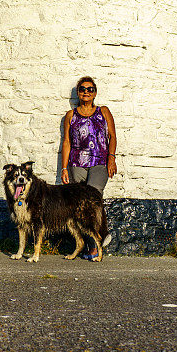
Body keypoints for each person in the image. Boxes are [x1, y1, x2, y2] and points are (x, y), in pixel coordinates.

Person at [61, 76, 117, 259]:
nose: (86, 92)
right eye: (82, 89)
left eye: (90, 89)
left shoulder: (104, 111)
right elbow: (67, 142)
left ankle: (97, 241)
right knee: (79, 204)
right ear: (78, 93)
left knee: (93, 196)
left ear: (95, 92)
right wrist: (64, 168)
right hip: (77, 163)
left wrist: (111, 159)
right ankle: (89, 245)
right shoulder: (71, 115)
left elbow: (112, 136)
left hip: (99, 161)